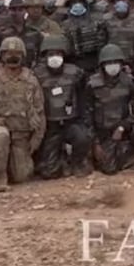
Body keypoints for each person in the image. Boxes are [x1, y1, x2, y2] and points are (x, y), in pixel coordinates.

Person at [0, 37, 45, 190]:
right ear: (2, 55)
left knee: (22, 176)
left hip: (22, 135)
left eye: (17, 53)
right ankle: (0, 177)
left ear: (23, 56)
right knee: (1, 136)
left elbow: (40, 111)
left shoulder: (31, 81)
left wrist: (37, 138)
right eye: (8, 53)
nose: (12, 57)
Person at [33, 35, 93, 178]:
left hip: (71, 121)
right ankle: (58, 160)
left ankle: (77, 161)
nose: (55, 57)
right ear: (44, 56)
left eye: (58, 54)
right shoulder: (36, 74)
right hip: (49, 126)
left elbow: (84, 94)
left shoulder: (75, 72)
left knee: (82, 137)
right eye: (51, 54)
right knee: (49, 173)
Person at [87, 44, 134, 175]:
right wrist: (95, 142)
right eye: (109, 63)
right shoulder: (92, 85)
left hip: (122, 129)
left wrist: (122, 127)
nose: (112, 66)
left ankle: (132, 151)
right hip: (101, 132)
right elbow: (87, 115)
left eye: (116, 62)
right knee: (109, 168)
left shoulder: (129, 82)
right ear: (102, 65)